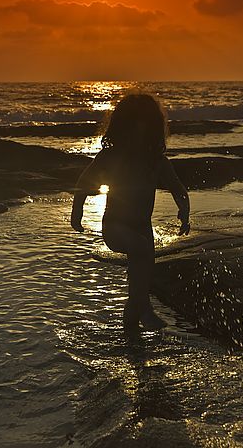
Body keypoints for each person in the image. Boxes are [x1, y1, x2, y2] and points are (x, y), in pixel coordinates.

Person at [71, 93, 190, 332]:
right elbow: (83, 183)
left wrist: (184, 212)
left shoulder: (157, 162)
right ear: (121, 128)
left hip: (143, 229)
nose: (137, 133)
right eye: (132, 126)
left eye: (144, 127)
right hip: (115, 228)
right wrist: (77, 213)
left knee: (140, 278)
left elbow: (179, 189)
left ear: (153, 129)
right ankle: (145, 309)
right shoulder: (111, 157)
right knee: (140, 248)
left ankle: (132, 336)